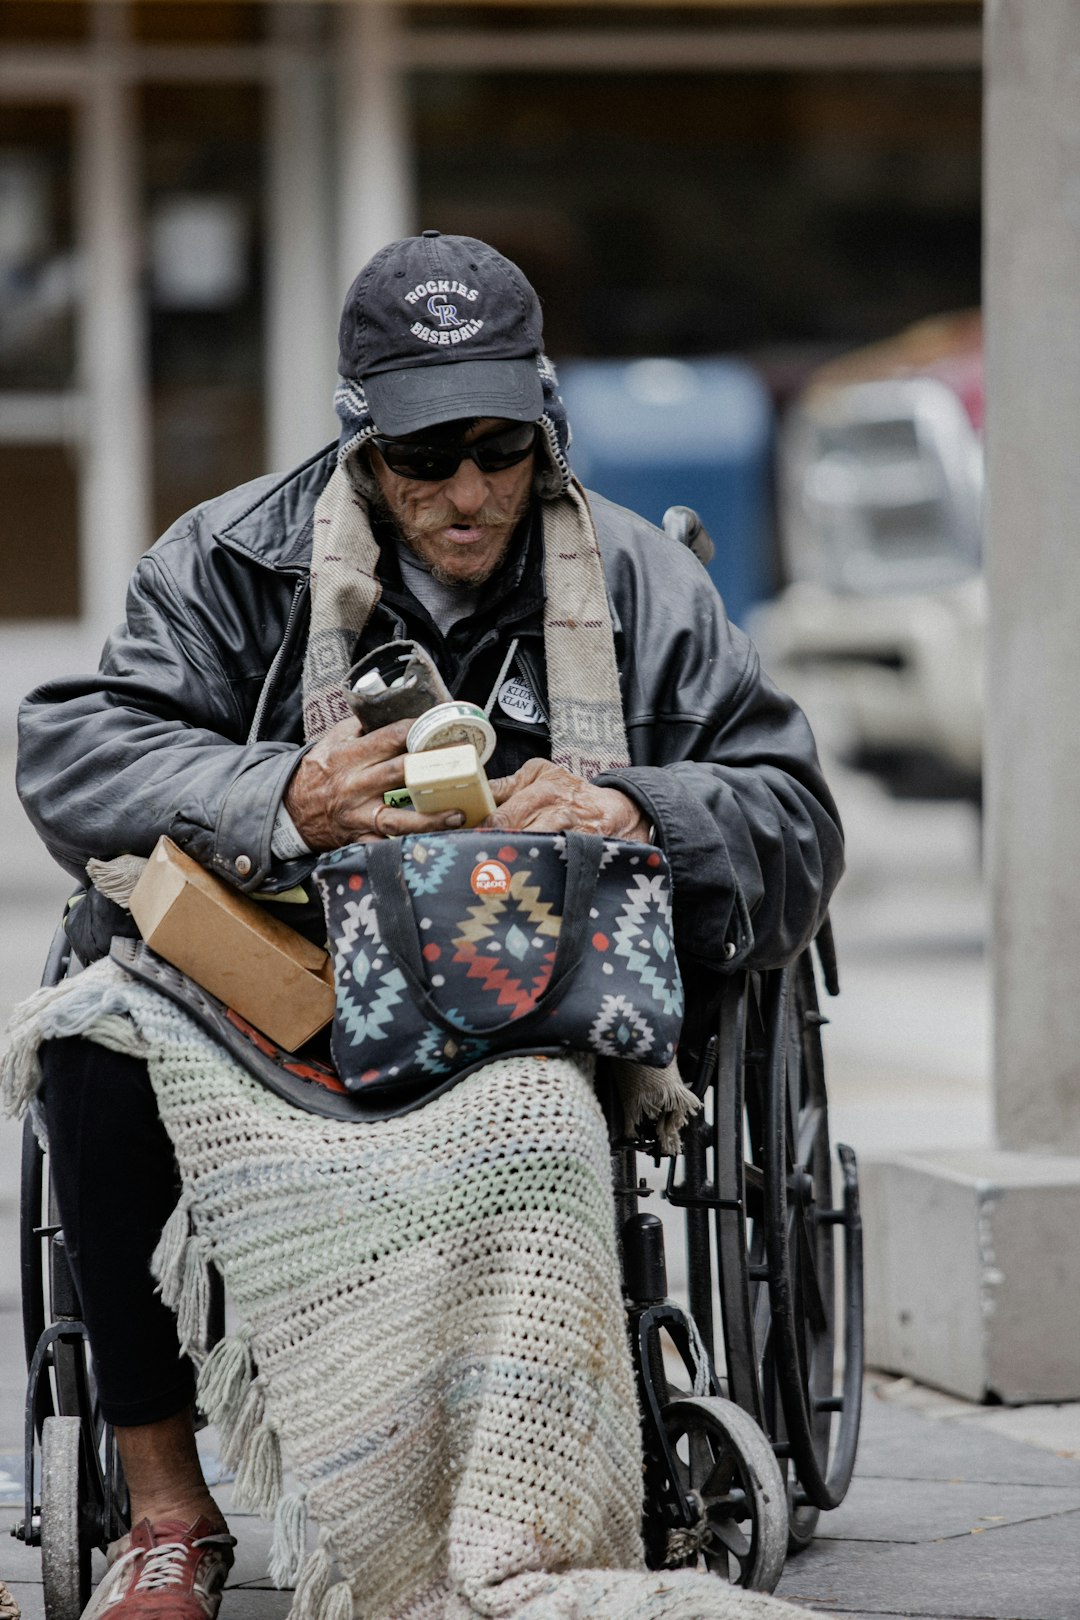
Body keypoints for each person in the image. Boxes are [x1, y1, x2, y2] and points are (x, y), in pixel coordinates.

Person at [15, 232, 843, 1620]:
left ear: (546, 429)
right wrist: (277, 788)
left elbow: (794, 815)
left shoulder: (641, 583)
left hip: (529, 1015)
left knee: (534, 1117)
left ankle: (512, 1507)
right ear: (360, 442)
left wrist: (635, 807)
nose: (468, 496)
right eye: (425, 460)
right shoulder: (232, 561)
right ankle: (168, 1511)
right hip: (287, 999)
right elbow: (74, 752)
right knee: (95, 1047)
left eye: (501, 454)